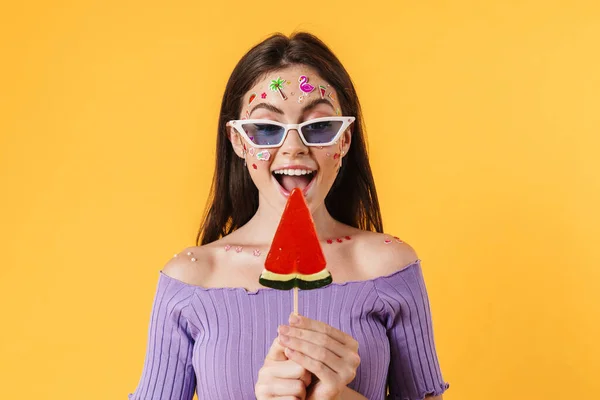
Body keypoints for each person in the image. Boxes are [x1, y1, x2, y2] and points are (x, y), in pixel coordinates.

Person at [128, 32, 450, 400]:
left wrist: (342, 398)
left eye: (320, 126)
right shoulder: (191, 279)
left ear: (345, 140)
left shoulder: (390, 267)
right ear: (238, 141)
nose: (294, 148)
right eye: (266, 129)